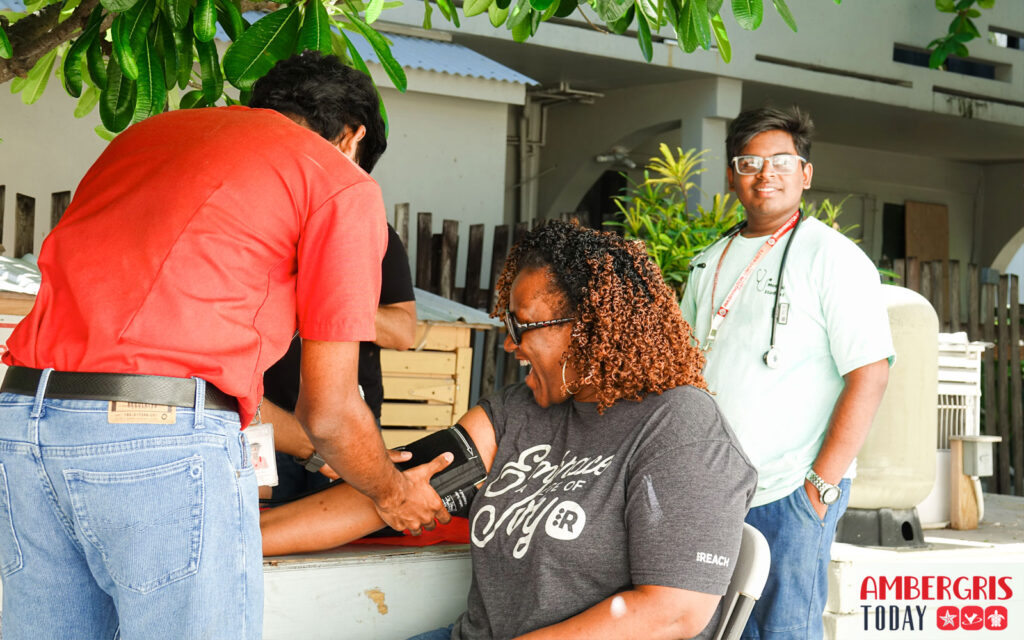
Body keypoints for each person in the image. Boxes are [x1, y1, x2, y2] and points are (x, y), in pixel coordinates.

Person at [0, 52, 449, 639]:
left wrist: (325, 456)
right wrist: (391, 492)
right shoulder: (337, 180)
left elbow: (175, 379)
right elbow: (330, 410)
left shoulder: (146, 138)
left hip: (24, 422)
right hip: (159, 440)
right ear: (353, 137)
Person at [260, 221, 757, 640]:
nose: (510, 345)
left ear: (589, 326)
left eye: (523, 326)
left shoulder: (679, 427)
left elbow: (673, 611)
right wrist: (245, 538)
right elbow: (396, 488)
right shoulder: (519, 410)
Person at [680, 106, 894, 640]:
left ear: (806, 174)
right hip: (711, 491)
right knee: (708, 629)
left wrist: (819, 487)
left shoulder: (833, 258)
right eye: (749, 162)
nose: (765, 173)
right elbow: (680, 368)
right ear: (732, 175)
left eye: (781, 161)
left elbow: (870, 372)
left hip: (789, 489)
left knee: (783, 631)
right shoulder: (711, 258)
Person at [261, 221, 416, 500]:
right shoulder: (267, 225)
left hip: (348, 428)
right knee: (259, 531)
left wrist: (334, 298)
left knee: (351, 541)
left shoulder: (374, 232)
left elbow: (403, 333)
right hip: (268, 423)